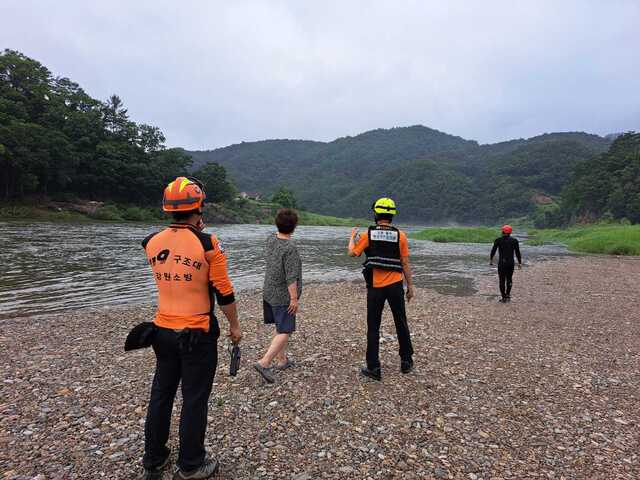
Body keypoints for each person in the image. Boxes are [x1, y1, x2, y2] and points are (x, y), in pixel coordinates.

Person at [139, 176, 242, 480]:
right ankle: (191, 463)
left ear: (168, 207)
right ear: (199, 206)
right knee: (194, 397)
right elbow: (224, 292)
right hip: (196, 331)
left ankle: (154, 458)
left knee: (162, 393)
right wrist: (235, 326)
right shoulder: (209, 243)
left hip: (161, 330)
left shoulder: (151, 242)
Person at [348, 197, 414, 381]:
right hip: (395, 286)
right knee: (401, 321)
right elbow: (405, 263)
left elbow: (352, 253)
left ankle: (374, 367)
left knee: (374, 326)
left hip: (376, 287)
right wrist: (410, 287)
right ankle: (406, 362)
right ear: (392, 215)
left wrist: (351, 238)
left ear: (376, 214)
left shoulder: (368, 235)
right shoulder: (400, 235)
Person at [254, 208, 302, 384]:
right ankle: (264, 362)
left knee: (280, 326)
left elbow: (277, 233)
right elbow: (291, 276)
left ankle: (282, 360)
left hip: (268, 290)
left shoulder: (270, 239)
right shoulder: (290, 248)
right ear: (295, 226)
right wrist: (294, 299)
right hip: (282, 295)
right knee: (286, 330)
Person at [490, 224, 522, 303]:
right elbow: (517, 252)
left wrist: (491, 260)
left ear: (502, 231)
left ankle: (503, 297)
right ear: (510, 232)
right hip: (510, 263)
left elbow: (493, 251)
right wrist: (520, 263)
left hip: (502, 263)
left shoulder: (498, 240)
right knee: (509, 279)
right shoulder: (514, 241)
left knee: (501, 280)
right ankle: (508, 295)